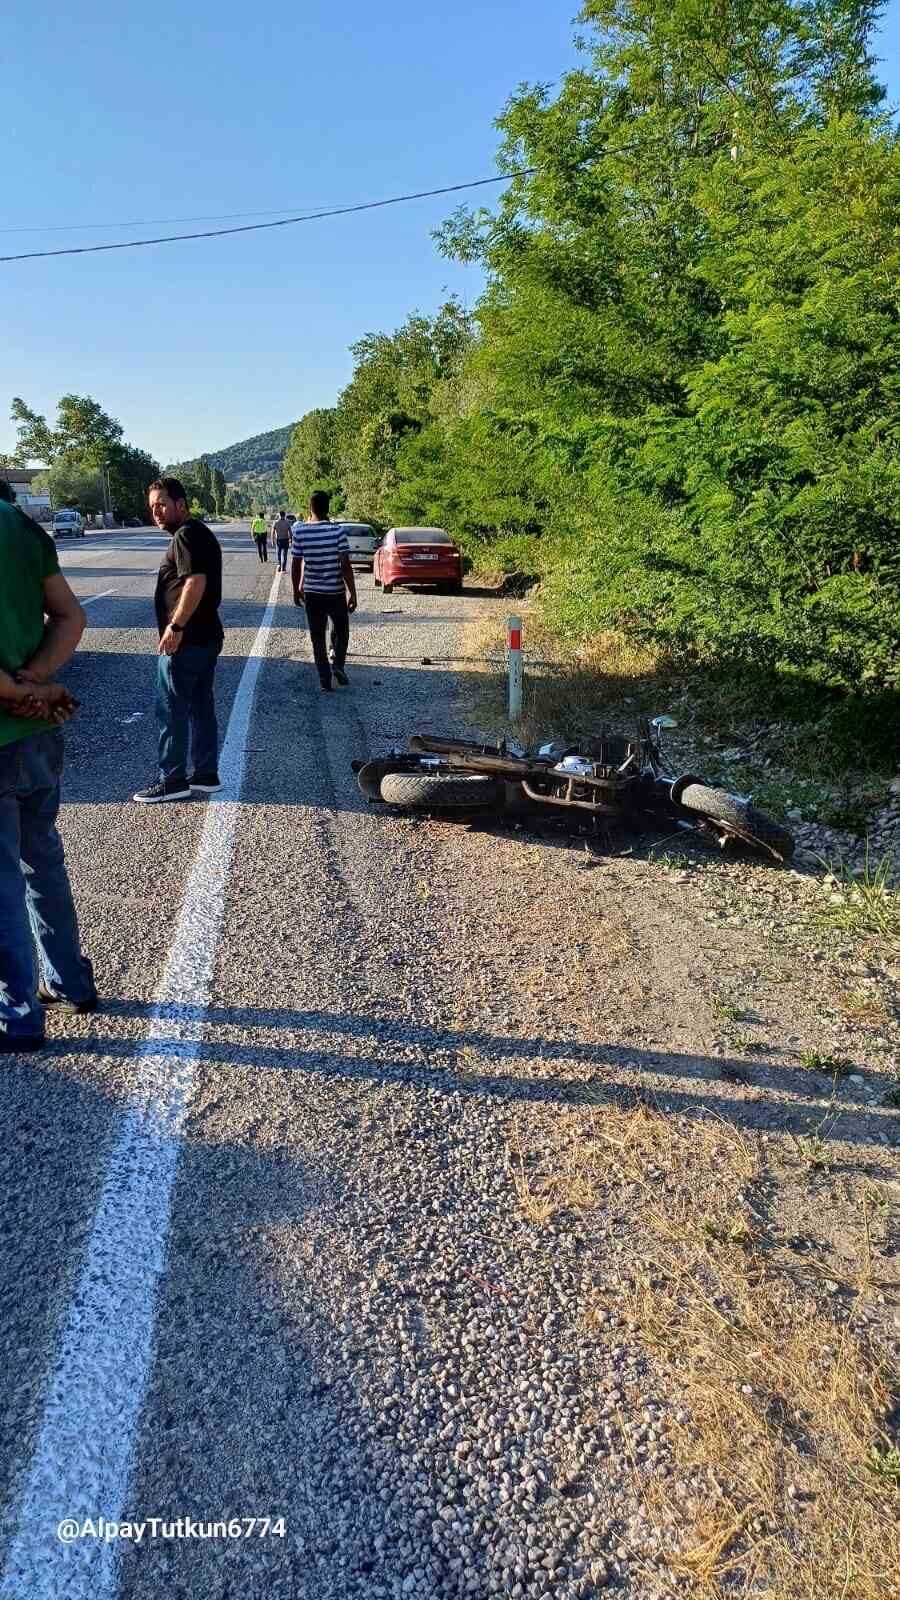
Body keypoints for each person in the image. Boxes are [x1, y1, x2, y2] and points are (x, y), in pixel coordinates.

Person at [0, 497, 96, 1052]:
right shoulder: (19, 526)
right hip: (37, 735)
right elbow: (70, 615)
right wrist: (35, 679)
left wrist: (15, 691)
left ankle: (18, 1014)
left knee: (0, 882)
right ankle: (70, 982)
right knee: (42, 859)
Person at [133, 478, 224, 804]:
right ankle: (205, 773)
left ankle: (173, 780)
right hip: (206, 638)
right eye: (152, 506)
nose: (156, 512)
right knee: (201, 708)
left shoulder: (186, 535)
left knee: (171, 710)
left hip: (186, 641)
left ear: (181, 504)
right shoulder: (197, 533)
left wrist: (175, 626)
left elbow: (195, 582)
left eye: (162, 504)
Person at [291, 491, 357, 691]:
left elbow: (295, 565)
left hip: (312, 594)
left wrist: (296, 590)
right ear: (328, 508)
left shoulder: (300, 532)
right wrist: (353, 592)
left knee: (317, 637)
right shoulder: (338, 531)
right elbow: (345, 565)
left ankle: (324, 680)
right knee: (342, 631)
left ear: (310, 508)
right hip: (335, 592)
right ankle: (337, 664)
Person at [271, 509, 293, 573]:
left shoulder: (276, 522)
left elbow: (272, 532)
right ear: (284, 515)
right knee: (285, 555)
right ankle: (283, 568)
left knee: (278, 553)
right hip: (285, 540)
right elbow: (290, 532)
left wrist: (272, 540)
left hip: (279, 540)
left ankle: (279, 565)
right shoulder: (287, 522)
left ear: (279, 515)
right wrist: (291, 540)